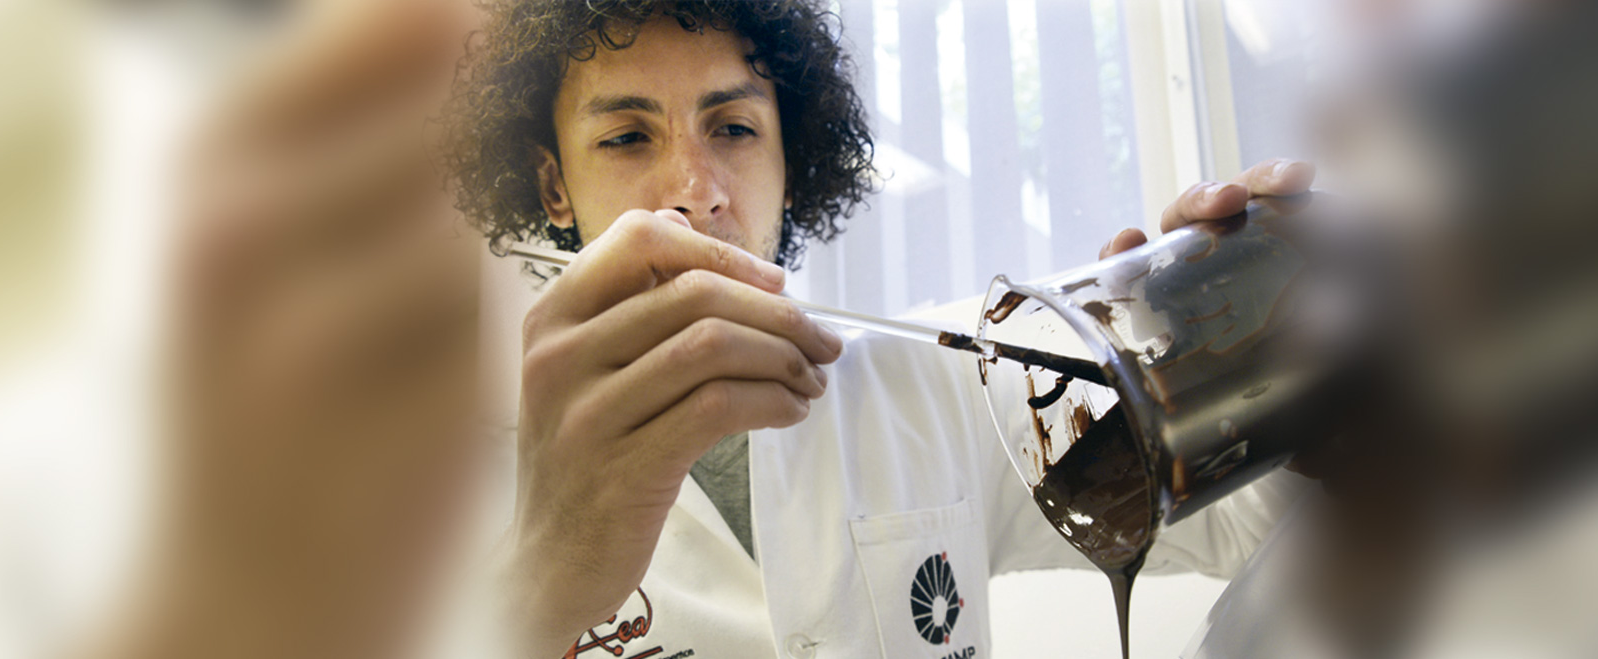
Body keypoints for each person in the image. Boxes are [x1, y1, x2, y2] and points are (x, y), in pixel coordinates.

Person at [443, 2, 1317, 657]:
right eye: (629, 136)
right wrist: (545, 571)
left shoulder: (947, 377)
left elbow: (1253, 521)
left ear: (795, 163)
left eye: (735, 128)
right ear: (553, 186)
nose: (695, 189)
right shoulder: (443, 490)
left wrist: (1247, 349)